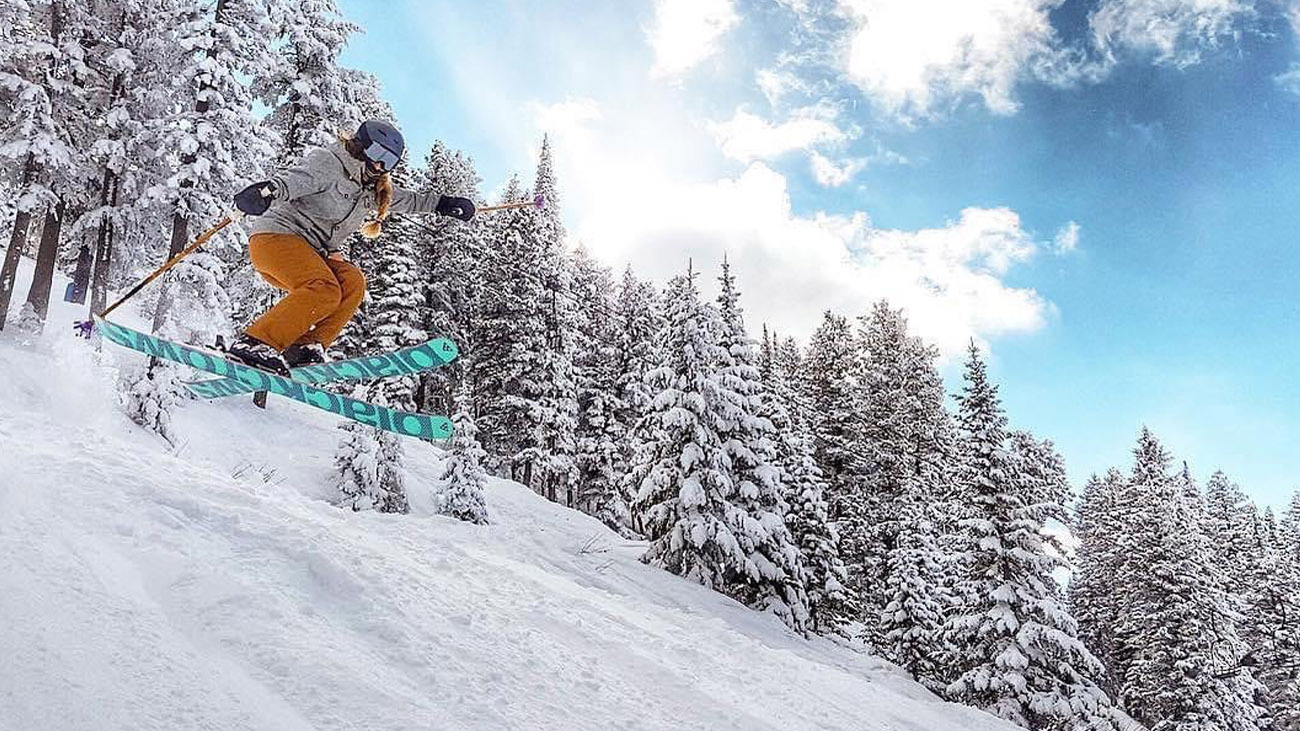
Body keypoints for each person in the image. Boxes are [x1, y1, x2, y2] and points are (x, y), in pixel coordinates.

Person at [228, 119, 475, 373]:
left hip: (312, 251)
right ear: (361, 146)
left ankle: (306, 346)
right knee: (323, 289)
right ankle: (256, 342)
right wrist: (267, 192)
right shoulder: (330, 163)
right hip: (276, 238)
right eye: (378, 154)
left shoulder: (373, 188)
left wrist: (443, 204)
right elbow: (295, 180)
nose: (380, 165)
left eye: (389, 161)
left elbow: (407, 200)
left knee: (352, 282)